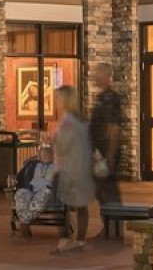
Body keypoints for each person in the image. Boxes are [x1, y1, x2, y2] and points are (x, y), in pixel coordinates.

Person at [51, 85, 95, 253]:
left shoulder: (68, 122)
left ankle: (65, 240)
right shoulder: (78, 120)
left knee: (60, 206)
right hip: (78, 168)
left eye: (58, 98)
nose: (56, 102)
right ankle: (78, 241)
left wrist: (54, 140)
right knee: (79, 205)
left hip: (67, 170)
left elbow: (64, 147)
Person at [88, 63, 126, 232]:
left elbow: (114, 128)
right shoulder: (101, 98)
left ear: (107, 76)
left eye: (97, 73)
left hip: (106, 154)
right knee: (101, 190)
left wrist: (110, 155)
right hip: (98, 153)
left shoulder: (110, 98)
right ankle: (109, 225)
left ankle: (114, 227)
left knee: (108, 190)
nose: (94, 77)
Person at [13, 145, 57, 235]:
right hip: (30, 189)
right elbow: (20, 177)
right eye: (43, 152)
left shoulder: (57, 166)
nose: (45, 155)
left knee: (42, 196)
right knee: (21, 194)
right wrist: (29, 161)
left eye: (48, 153)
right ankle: (24, 222)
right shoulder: (32, 164)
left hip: (46, 190)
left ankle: (23, 222)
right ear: (39, 154)